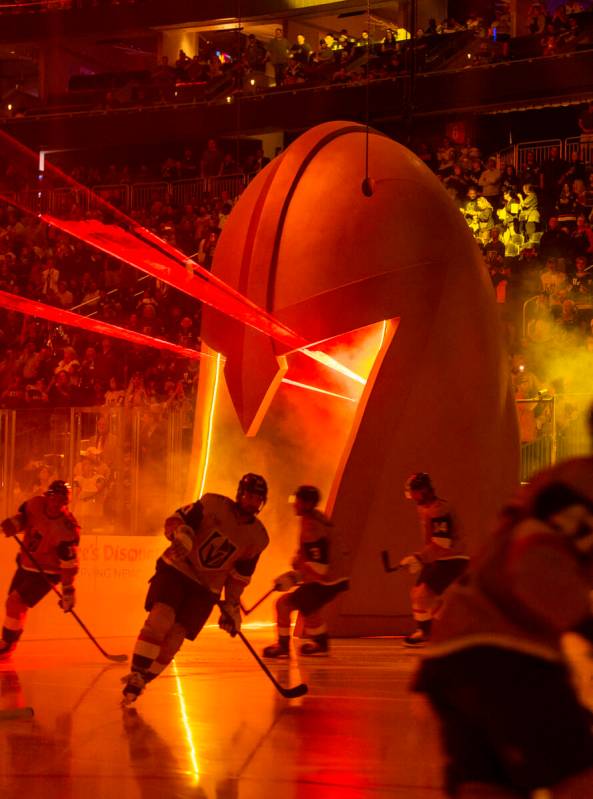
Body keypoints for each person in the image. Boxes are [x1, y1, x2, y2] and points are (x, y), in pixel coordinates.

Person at [413, 452, 593, 798]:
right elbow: (536, 566)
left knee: (488, 786)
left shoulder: (559, 479)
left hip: (454, 652)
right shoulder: (583, 489)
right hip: (505, 654)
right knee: (579, 777)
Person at [121, 473, 270, 704]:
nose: (252, 501)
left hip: (206, 590)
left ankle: (142, 681)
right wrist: (182, 533)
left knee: (174, 641)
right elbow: (174, 519)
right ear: (240, 493)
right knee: (161, 619)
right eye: (249, 495)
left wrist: (231, 605)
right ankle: (136, 674)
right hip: (177, 569)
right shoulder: (212, 503)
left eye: (257, 498)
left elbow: (240, 576)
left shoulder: (258, 538)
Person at [263, 485, 349, 658]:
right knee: (309, 609)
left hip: (325, 580)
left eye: (297, 501)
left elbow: (320, 566)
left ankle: (283, 647)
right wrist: (299, 559)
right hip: (335, 579)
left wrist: (294, 576)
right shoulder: (316, 519)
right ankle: (321, 644)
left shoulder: (311, 527)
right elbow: (313, 555)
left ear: (307, 503)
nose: (294, 504)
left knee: (283, 604)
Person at [0, 481, 80, 658]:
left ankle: (7, 644)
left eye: (62, 501)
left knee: (15, 602)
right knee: (13, 604)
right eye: (54, 498)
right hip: (26, 564)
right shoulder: (35, 504)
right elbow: (24, 518)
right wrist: (14, 524)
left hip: (47, 573)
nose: (56, 504)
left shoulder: (67, 528)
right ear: (47, 496)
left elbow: (69, 563)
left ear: (66, 503)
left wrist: (68, 590)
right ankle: (9, 642)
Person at [399, 473, 469, 646]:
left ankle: (444, 629)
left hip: (452, 558)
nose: (413, 498)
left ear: (423, 491)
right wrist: (421, 558)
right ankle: (427, 631)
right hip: (438, 558)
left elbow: (442, 542)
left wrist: (419, 558)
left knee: (423, 595)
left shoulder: (439, 510)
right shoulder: (426, 508)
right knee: (417, 594)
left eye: (414, 493)